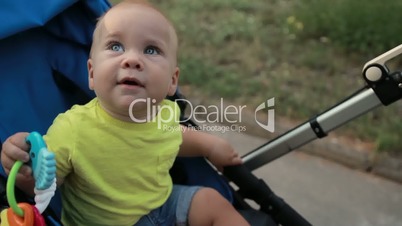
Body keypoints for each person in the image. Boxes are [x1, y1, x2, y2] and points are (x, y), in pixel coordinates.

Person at [1, 0, 250, 225]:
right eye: (116, 46)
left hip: (162, 205)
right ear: (91, 73)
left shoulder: (164, 113)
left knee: (210, 201)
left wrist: (210, 145)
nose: (132, 59)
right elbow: (46, 185)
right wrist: (25, 172)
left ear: (172, 82)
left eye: (151, 50)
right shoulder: (73, 129)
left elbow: (174, 136)